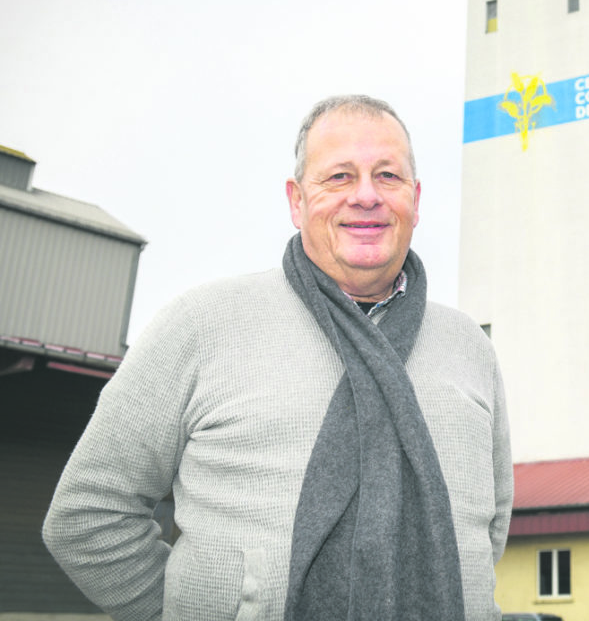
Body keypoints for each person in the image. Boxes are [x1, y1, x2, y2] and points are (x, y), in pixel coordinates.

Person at [43, 95, 512, 621]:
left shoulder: (470, 345)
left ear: (416, 198)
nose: (365, 196)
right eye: (338, 177)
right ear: (296, 200)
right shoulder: (203, 324)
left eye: (387, 176)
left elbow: (488, 531)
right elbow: (88, 514)